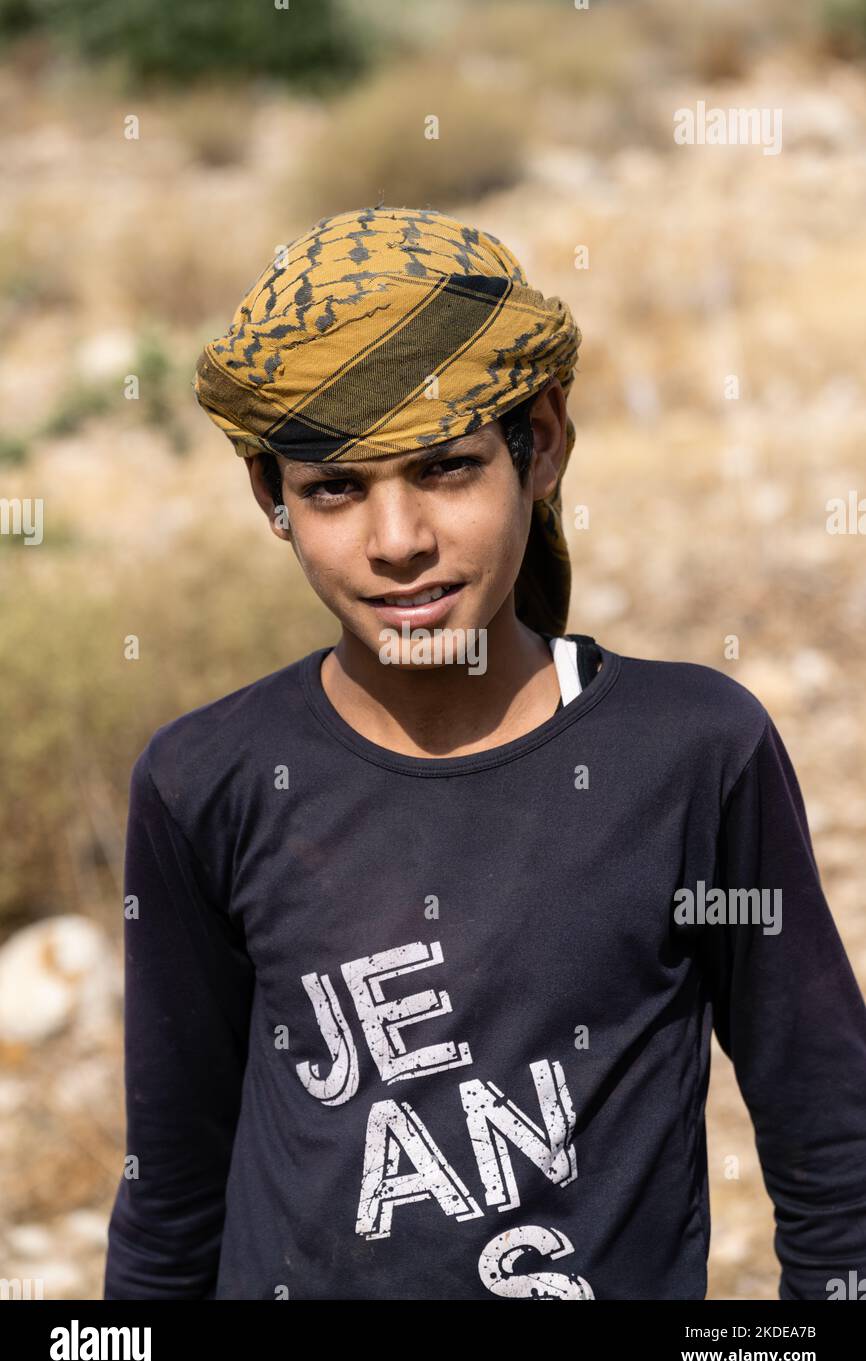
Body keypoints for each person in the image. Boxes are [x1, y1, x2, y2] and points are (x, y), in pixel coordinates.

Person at [103, 205, 866, 1301]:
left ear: (540, 444)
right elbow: (172, 1194)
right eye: (332, 488)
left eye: (446, 469)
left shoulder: (692, 754)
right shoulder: (205, 782)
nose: (397, 539)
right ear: (271, 496)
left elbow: (830, 1146)